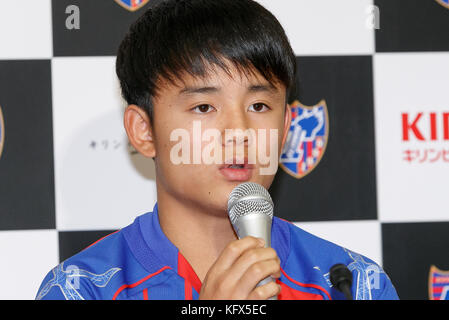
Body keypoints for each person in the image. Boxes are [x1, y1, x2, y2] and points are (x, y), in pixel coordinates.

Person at [36, 0, 398, 300]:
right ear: (143, 130)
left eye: (258, 106)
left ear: (286, 126)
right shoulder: (80, 289)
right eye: (204, 108)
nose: (240, 132)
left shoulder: (353, 284)